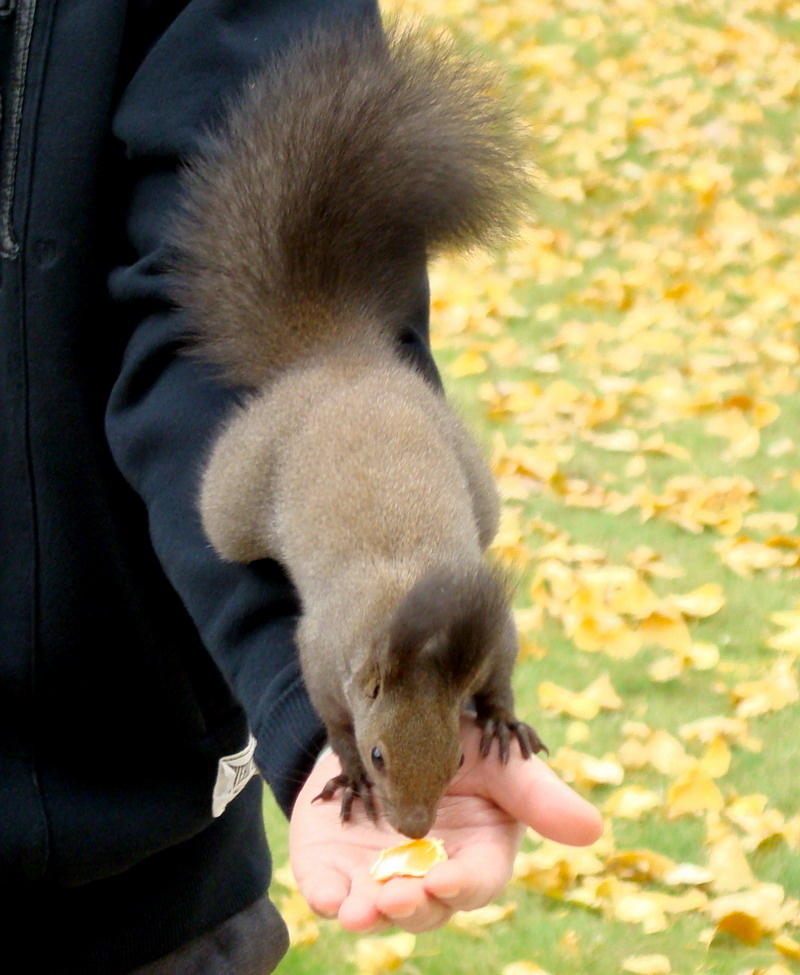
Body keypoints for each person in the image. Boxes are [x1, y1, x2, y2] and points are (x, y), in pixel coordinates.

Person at [0, 0, 602, 971]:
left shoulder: (353, 658)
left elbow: (190, 327)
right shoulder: (361, 660)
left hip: (123, 889)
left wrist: (322, 734)